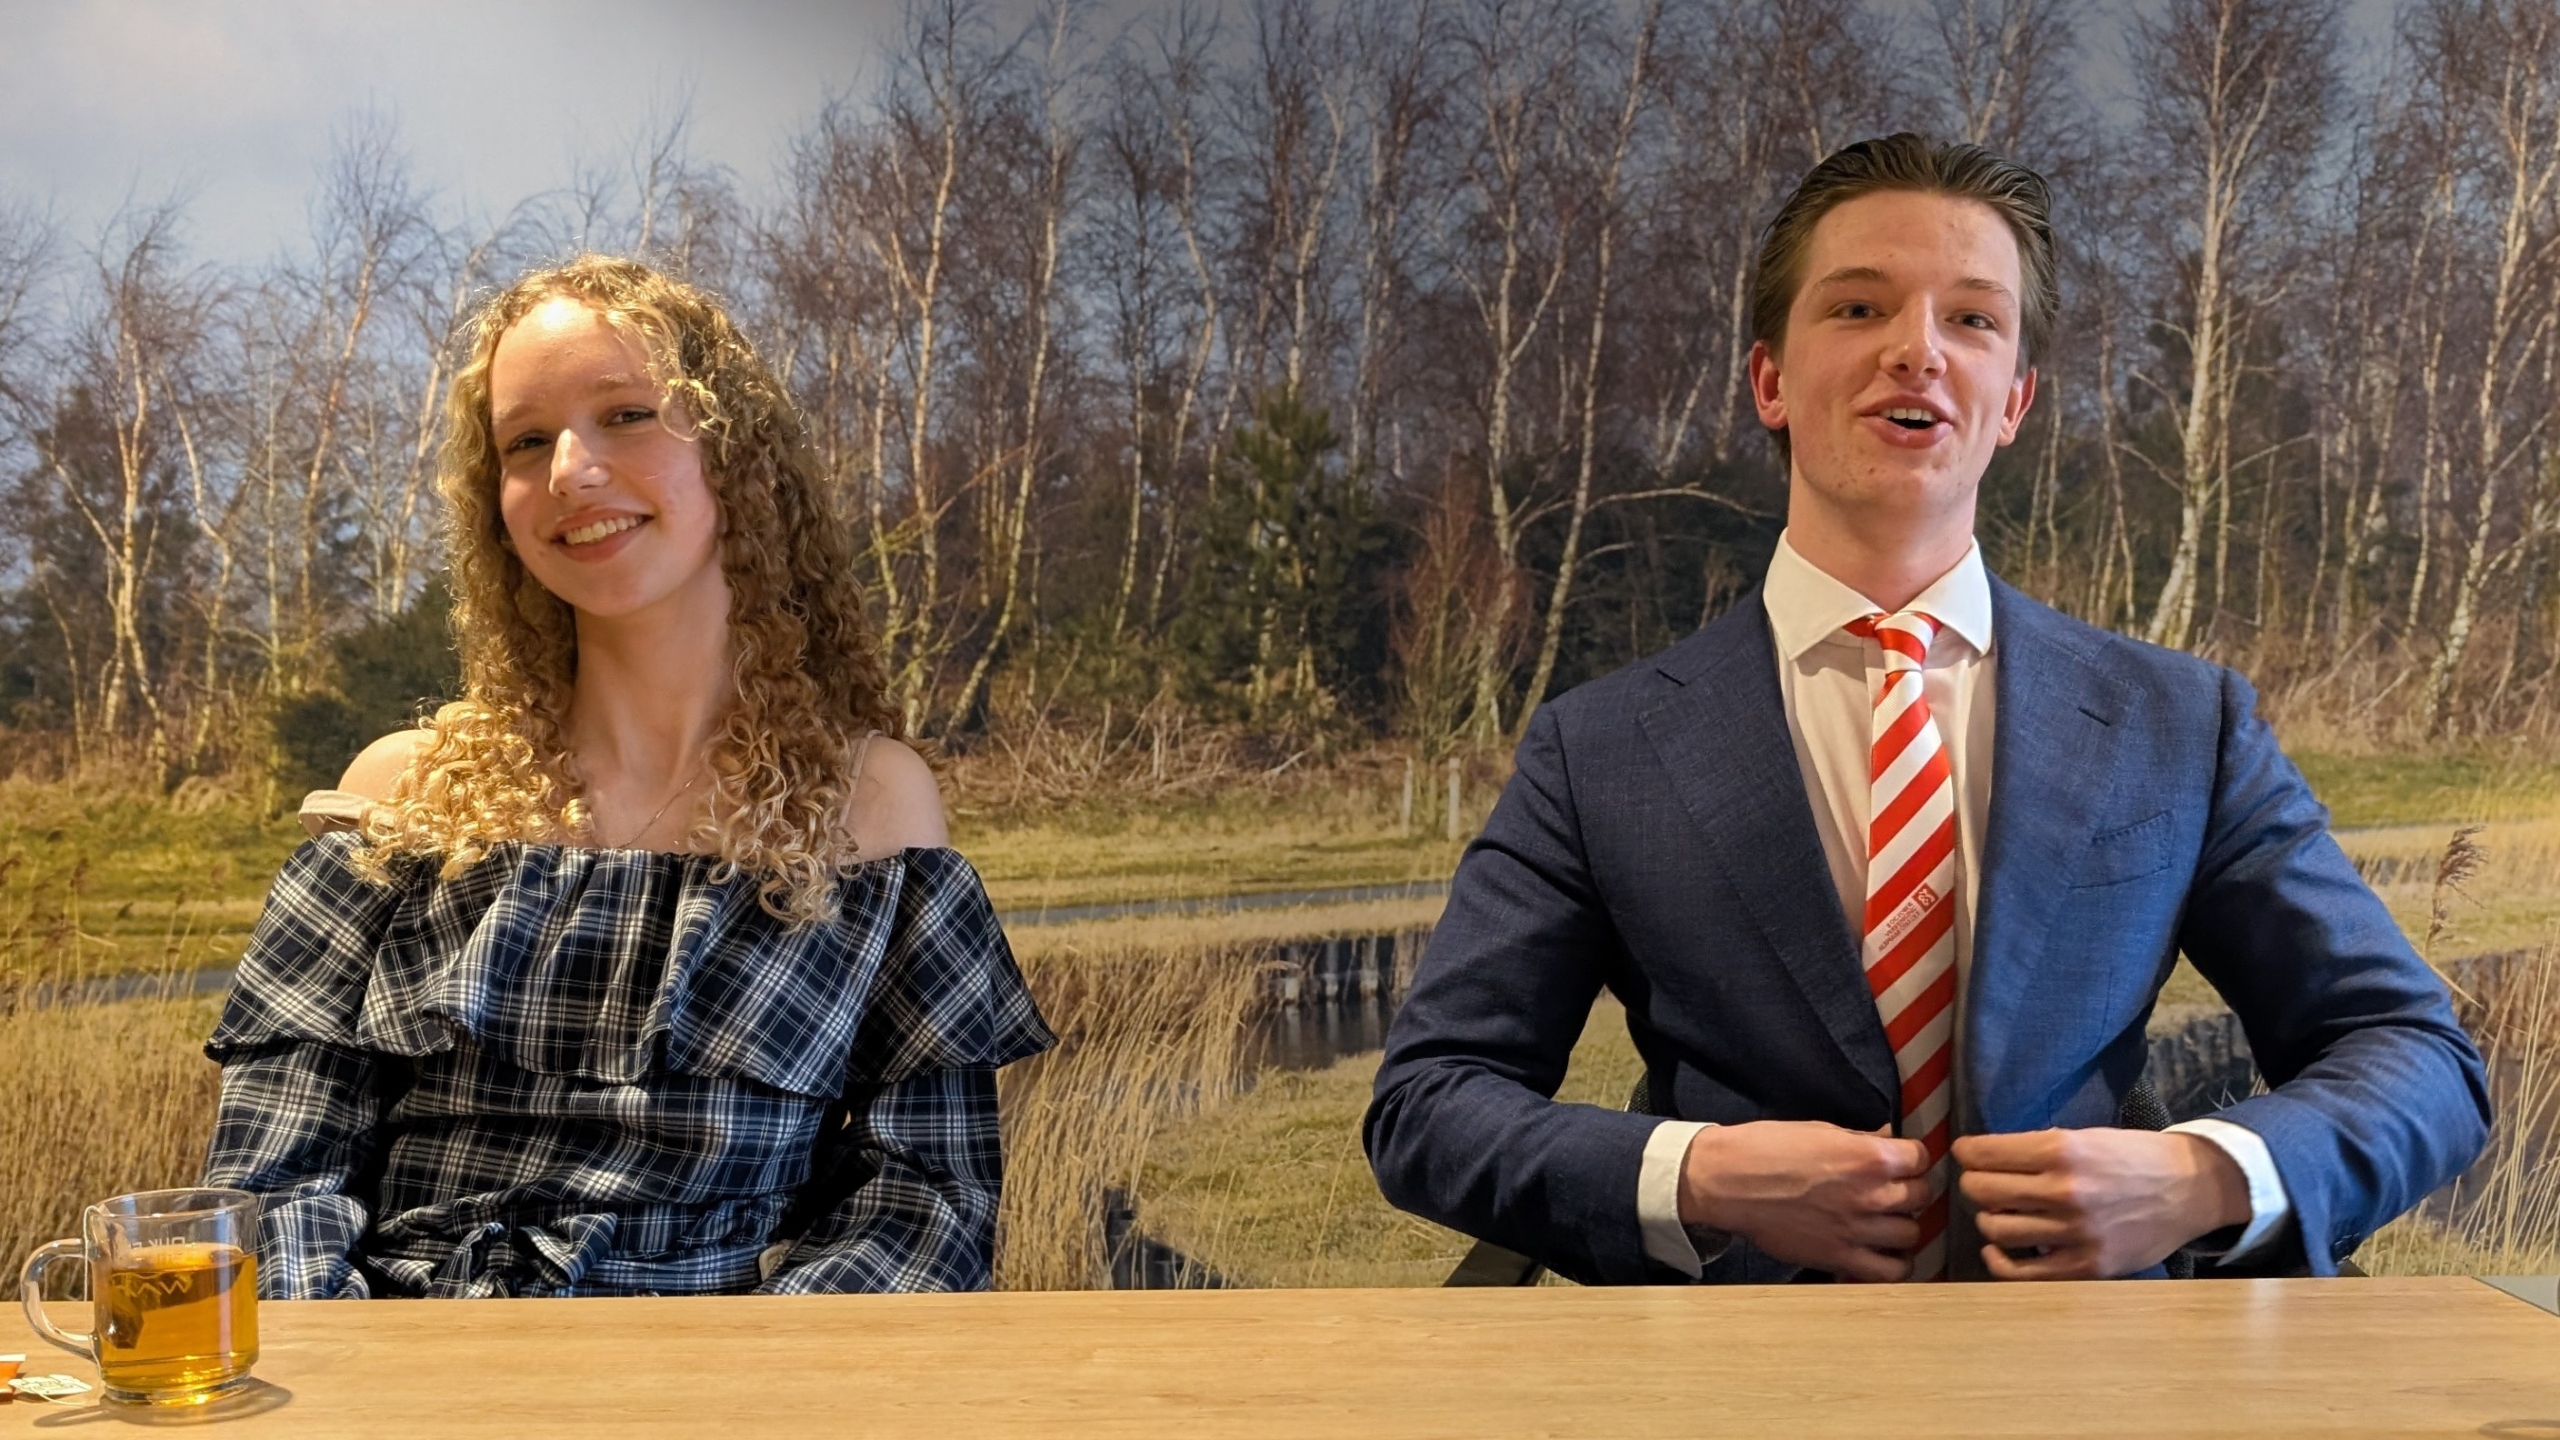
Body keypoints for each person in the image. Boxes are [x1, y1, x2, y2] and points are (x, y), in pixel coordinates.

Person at [1364, 134, 2489, 1286]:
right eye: (1857, 309)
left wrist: (2200, 1178)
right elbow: (1430, 1100)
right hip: (1741, 1379)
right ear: (1768, 382)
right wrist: (1693, 1174)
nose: (1916, 351)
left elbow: (2414, 1058)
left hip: (2095, 1378)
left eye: (1972, 319)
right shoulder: (1597, 751)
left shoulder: (2177, 723)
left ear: (2013, 400)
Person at [202, 255, 1054, 1299]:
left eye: (627, 415)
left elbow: (924, 1200)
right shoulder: (401, 799)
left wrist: (764, 1385)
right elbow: (272, 1182)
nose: (570, 471)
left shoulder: (869, 808)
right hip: (403, 1381)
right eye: (525, 442)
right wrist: (363, 1383)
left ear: (735, 454)